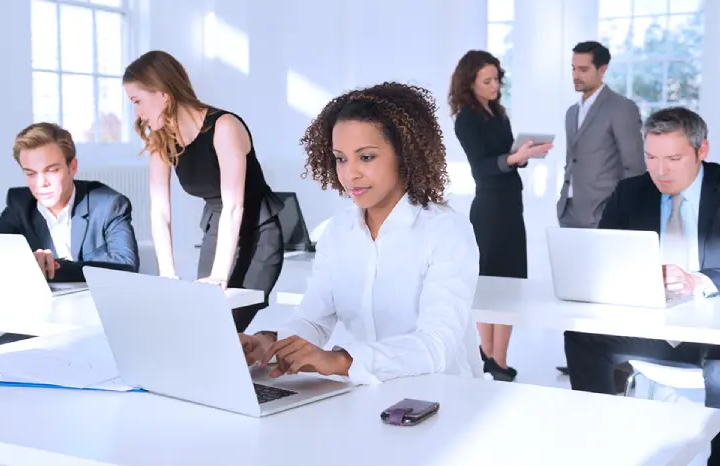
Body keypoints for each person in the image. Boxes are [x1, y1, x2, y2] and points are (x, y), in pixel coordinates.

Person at [564, 107, 720, 466]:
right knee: (582, 337)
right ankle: (601, 447)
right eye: (651, 157)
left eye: (674, 158)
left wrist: (698, 281)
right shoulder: (629, 193)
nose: (660, 171)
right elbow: (603, 258)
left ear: (702, 150)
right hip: (654, 331)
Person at [237, 82, 482, 385]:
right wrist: (268, 345)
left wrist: (342, 360)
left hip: (443, 398)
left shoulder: (446, 232)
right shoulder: (338, 231)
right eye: (341, 158)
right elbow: (314, 319)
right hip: (366, 398)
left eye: (366, 157)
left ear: (405, 154)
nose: (350, 173)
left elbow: (436, 345)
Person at [123, 50, 284, 333]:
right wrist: (167, 273)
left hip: (258, 233)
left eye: (137, 101)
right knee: (202, 327)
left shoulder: (224, 126)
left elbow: (234, 206)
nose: (136, 113)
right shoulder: (163, 139)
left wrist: (220, 275)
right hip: (217, 231)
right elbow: (160, 211)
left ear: (162, 93)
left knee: (222, 328)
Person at [0, 122, 140, 347]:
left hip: (102, 325)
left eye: (51, 170)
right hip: (46, 323)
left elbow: (126, 264)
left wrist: (53, 267)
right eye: (30, 174)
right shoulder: (20, 204)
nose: (41, 184)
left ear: (72, 167)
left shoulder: (108, 204)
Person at [449, 50, 551, 381]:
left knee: (510, 282)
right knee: (490, 282)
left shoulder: (498, 113)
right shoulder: (466, 118)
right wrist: (514, 158)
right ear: (470, 83)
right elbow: (482, 166)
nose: (495, 86)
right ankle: (489, 356)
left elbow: (505, 158)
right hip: (489, 207)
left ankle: (499, 359)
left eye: (497, 79)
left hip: (510, 203)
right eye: (487, 81)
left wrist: (523, 155)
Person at [555, 41, 645, 377]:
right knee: (578, 294)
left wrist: (624, 215)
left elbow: (634, 167)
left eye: (583, 69)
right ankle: (582, 358)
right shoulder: (571, 112)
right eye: (573, 68)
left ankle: (620, 368)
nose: (576, 75)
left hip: (606, 215)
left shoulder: (621, 108)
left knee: (609, 297)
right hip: (572, 212)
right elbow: (573, 160)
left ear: (602, 70)